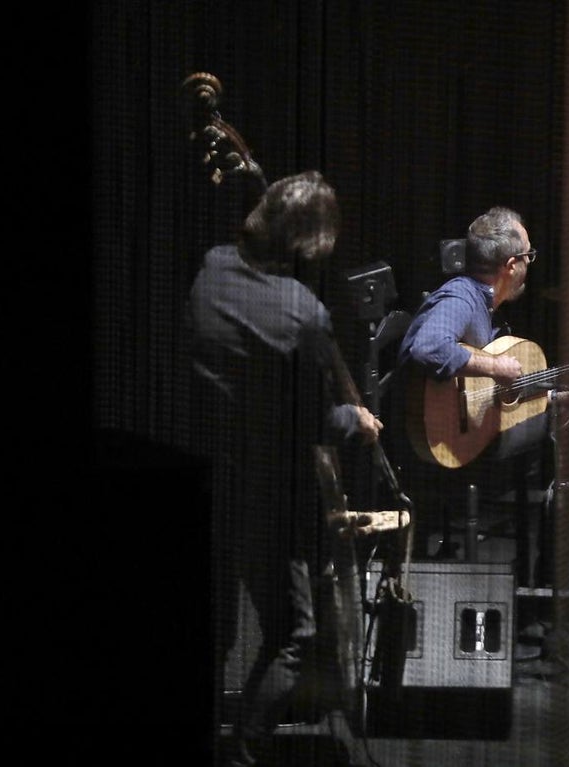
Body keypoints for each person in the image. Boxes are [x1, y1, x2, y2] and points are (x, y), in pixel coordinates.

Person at [187, 170, 382, 767]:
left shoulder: (212, 268)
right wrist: (356, 419)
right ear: (305, 246)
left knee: (214, 635)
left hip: (204, 476)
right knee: (296, 632)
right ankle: (244, 751)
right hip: (267, 495)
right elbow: (315, 423)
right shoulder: (304, 314)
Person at [395, 205, 569, 585]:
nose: (531, 263)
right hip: (442, 445)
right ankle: (546, 585)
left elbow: (497, 397)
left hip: (475, 436)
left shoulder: (483, 306)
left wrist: (566, 393)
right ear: (511, 265)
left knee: (567, 423)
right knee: (566, 450)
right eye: (529, 256)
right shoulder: (461, 298)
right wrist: (495, 368)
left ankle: (544, 582)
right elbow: (427, 348)